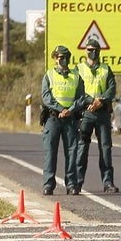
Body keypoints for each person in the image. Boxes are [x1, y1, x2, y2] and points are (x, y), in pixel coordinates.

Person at [41, 45, 88, 196]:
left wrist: (70, 110)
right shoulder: (49, 75)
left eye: (65, 57)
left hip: (70, 119)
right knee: (50, 152)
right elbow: (46, 97)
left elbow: (81, 97)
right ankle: (48, 185)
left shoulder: (76, 75)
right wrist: (61, 109)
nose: (62, 60)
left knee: (72, 152)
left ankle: (71, 185)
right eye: (59, 57)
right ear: (54, 58)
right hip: (53, 118)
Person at [75, 39, 119, 194]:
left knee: (105, 148)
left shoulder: (106, 69)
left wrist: (101, 100)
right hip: (86, 113)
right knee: (82, 148)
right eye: (90, 49)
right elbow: (77, 90)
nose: (92, 52)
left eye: (95, 49)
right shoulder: (79, 69)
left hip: (102, 113)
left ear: (99, 51)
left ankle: (108, 183)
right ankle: (77, 183)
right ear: (85, 50)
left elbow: (112, 88)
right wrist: (90, 101)